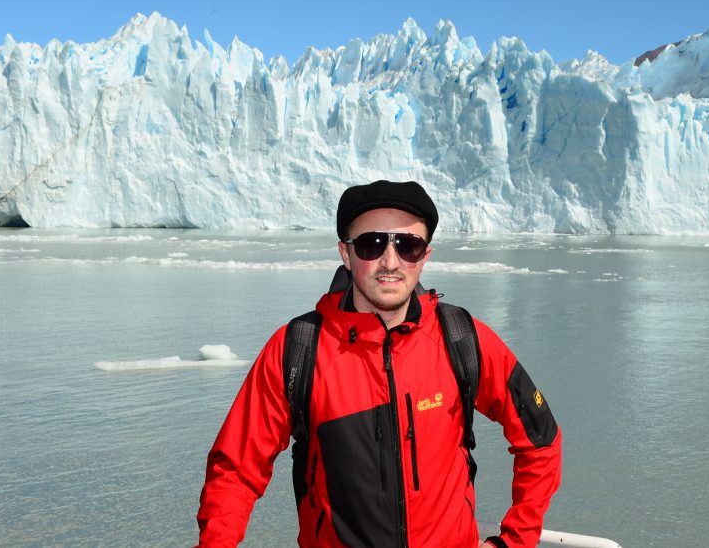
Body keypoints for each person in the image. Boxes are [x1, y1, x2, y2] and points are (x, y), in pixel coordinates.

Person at [196, 180, 562, 547]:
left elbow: (541, 439)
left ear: (425, 255)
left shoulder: (462, 338)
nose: (390, 262)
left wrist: (514, 541)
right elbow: (236, 471)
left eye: (408, 246)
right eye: (372, 245)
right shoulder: (297, 349)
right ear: (346, 253)